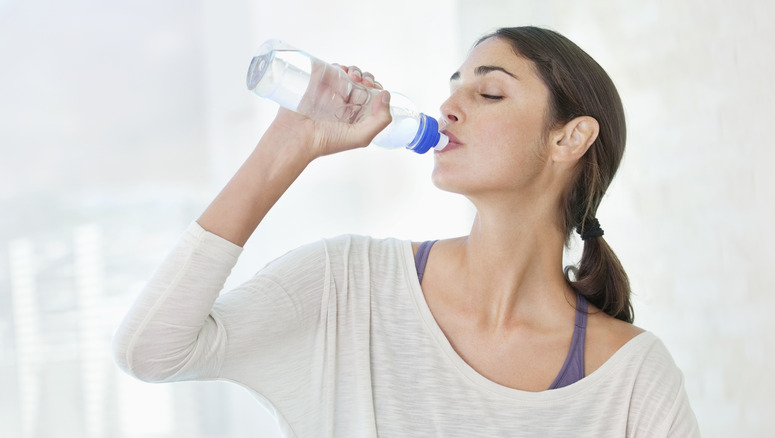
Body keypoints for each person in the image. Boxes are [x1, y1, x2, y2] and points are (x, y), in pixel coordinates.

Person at [113, 26, 700, 437]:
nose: (449, 106)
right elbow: (151, 351)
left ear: (568, 139)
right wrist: (286, 147)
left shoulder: (632, 378)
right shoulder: (348, 285)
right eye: (454, 84)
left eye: (489, 91)